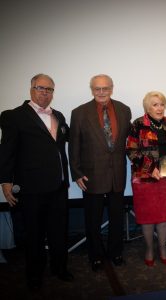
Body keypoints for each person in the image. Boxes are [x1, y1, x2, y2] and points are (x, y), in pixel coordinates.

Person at [0, 74, 73, 290]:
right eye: (40, 88)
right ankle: (34, 276)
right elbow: (6, 151)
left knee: (59, 231)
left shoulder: (58, 115)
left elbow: (64, 141)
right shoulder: (13, 116)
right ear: (31, 89)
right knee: (34, 235)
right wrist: (5, 181)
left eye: (49, 89)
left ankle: (60, 269)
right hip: (32, 187)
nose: (45, 92)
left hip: (59, 185)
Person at [69, 74, 132, 271]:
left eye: (105, 88)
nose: (102, 92)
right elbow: (74, 145)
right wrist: (76, 172)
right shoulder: (79, 112)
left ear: (112, 88)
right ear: (92, 89)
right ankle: (95, 255)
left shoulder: (123, 109)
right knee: (92, 218)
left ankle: (116, 253)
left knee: (116, 218)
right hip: (91, 174)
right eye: (97, 88)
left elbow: (128, 143)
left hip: (117, 173)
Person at [126, 91, 166, 267]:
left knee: (164, 216)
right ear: (147, 107)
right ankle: (149, 249)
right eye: (155, 104)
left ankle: (163, 248)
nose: (159, 108)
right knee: (148, 217)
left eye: (161, 104)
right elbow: (131, 151)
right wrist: (150, 169)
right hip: (144, 179)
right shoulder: (138, 124)